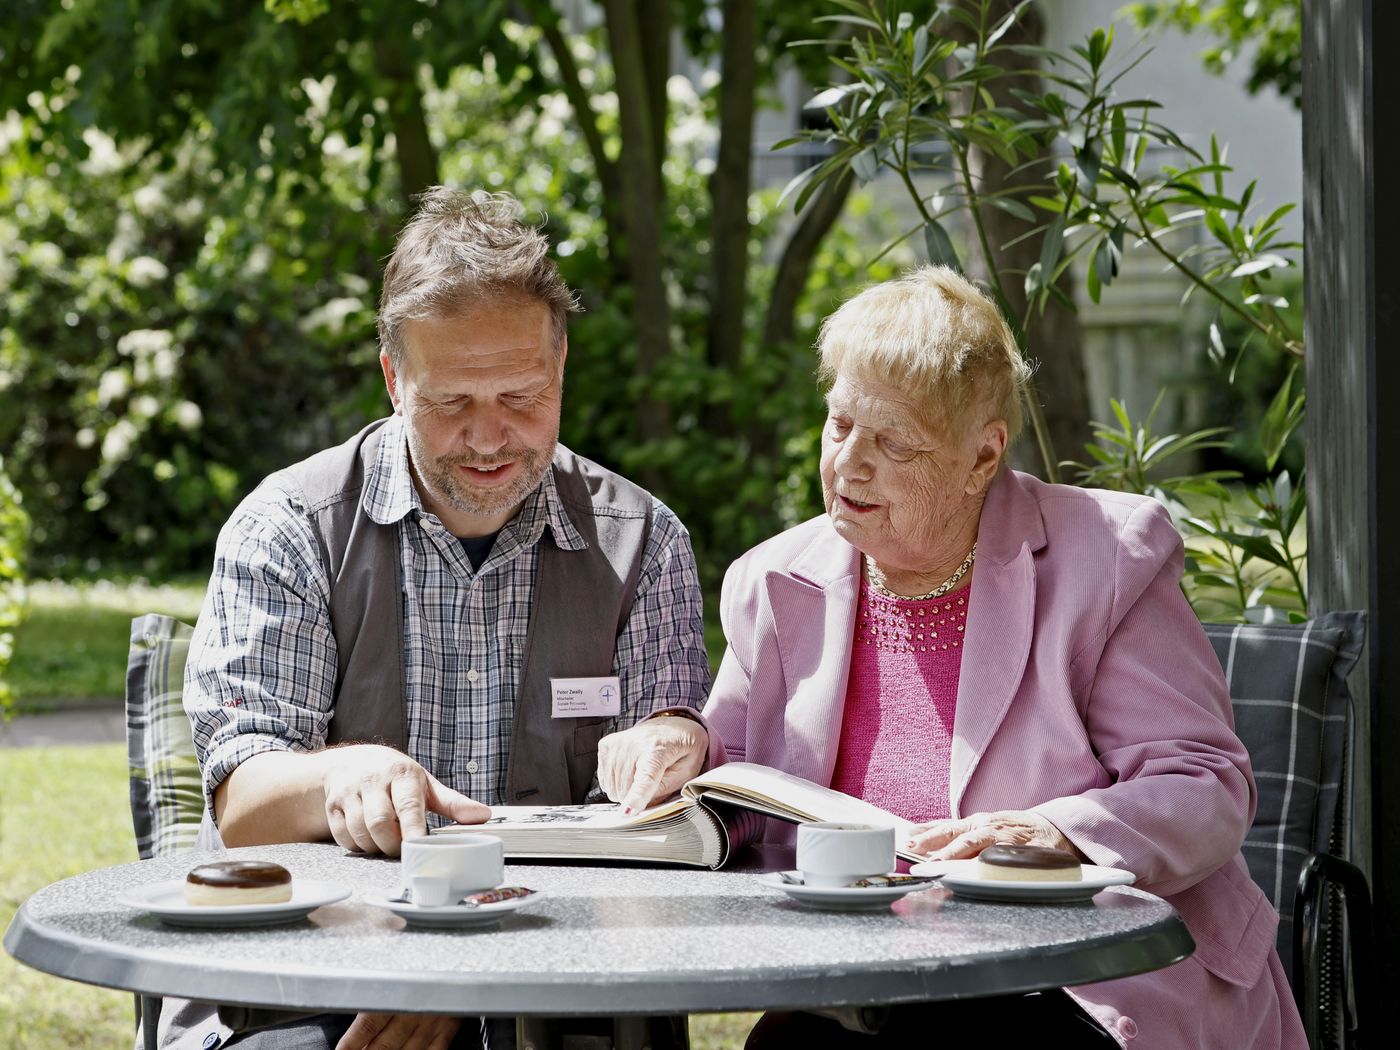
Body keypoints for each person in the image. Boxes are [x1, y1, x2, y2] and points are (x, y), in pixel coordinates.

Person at [600, 265, 1307, 1048]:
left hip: (1077, 981)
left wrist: (1057, 833)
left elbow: (1205, 785)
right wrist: (682, 741)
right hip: (861, 981)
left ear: (982, 457)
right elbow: (736, 774)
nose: (850, 464)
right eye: (840, 426)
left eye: (893, 441)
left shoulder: (1105, 560)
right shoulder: (775, 580)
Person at [162, 188, 712, 1050]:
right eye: (453, 403)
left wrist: (467, 958)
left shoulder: (645, 546)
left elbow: (663, 858)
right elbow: (247, 805)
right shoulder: (290, 530)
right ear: (394, 380)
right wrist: (350, 778)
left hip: (560, 982)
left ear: (561, 368)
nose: (490, 438)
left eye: (521, 398)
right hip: (304, 976)